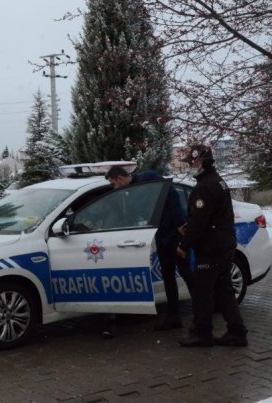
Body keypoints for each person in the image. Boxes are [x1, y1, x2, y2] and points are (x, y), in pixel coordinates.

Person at [100, 165, 192, 338]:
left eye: (114, 183)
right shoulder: (130, 193)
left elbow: (171, 195)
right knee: (168, 276)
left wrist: (180, 224)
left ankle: (201, 315)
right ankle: (173, 316)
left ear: (120, 178)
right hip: (161, 236)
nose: (114, 187)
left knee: (187, 273)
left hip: (174, 233)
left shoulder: (148, 178)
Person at [176, 145, 248, 347]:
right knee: (224, 290)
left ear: (200, 162)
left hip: (211, 248)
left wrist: (184, 245)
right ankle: (237, 332)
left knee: (203, 292)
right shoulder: (218, 181)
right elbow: (211, 216)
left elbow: (200, 221)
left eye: (191, 163)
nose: (189, 166)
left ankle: (202, 334)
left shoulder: (205, 186)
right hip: (223, 244)